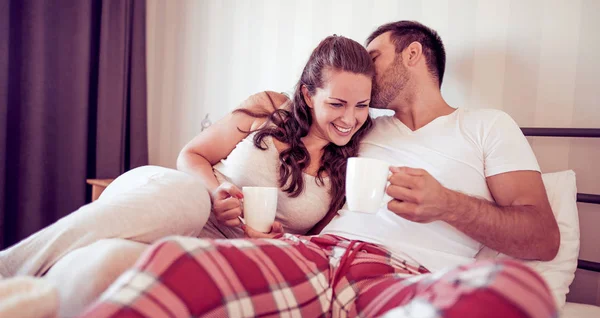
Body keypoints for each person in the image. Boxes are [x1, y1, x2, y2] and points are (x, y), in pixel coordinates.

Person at [69, 21, 561, 318]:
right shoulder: (363, 127)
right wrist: (257, 115)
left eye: (373, 57)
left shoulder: (486, 127)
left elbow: (542, 238)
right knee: (180, 265)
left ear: (413, 55)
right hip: (313, 255)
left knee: (521, 301)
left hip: (401, 278)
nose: (358, 90)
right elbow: (297, 129)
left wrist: (448, 204)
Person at [0, 35, 374, 282]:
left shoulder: (350, 166)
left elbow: (311, 239)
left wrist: (275, 237)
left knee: (104, 271)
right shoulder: (272, 109)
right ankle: (9, 270)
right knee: (192, 203)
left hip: (211, 251)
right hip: (170, 200)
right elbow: (191, 154)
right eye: (337, 104)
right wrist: (216, 191)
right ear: (308, 95)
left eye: (362, 106)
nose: (349, 119)